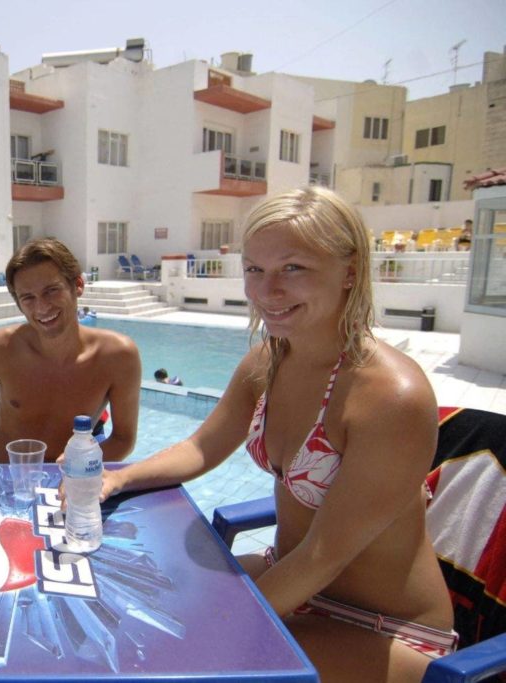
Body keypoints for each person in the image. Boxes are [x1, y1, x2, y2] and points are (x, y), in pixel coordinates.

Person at [95, 187, 456, 680]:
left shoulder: (390, 395)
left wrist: (219, 631)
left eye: (293, 268)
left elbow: (324, 553)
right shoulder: (269, 360)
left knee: (188, 660)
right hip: (292, 579)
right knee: (140, 603)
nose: (267, 291)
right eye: (254, 270)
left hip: (381, 627)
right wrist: (117, 480)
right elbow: (201, 447)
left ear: (349, 271)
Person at [0, 238, 141, 464]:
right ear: (18, 303)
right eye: (28, 298)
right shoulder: (2, 347)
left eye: (51, 290)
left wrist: (85, 461)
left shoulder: (118, 357)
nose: (42, 307)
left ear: (78, 285)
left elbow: (123, 439)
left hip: (70, 479)